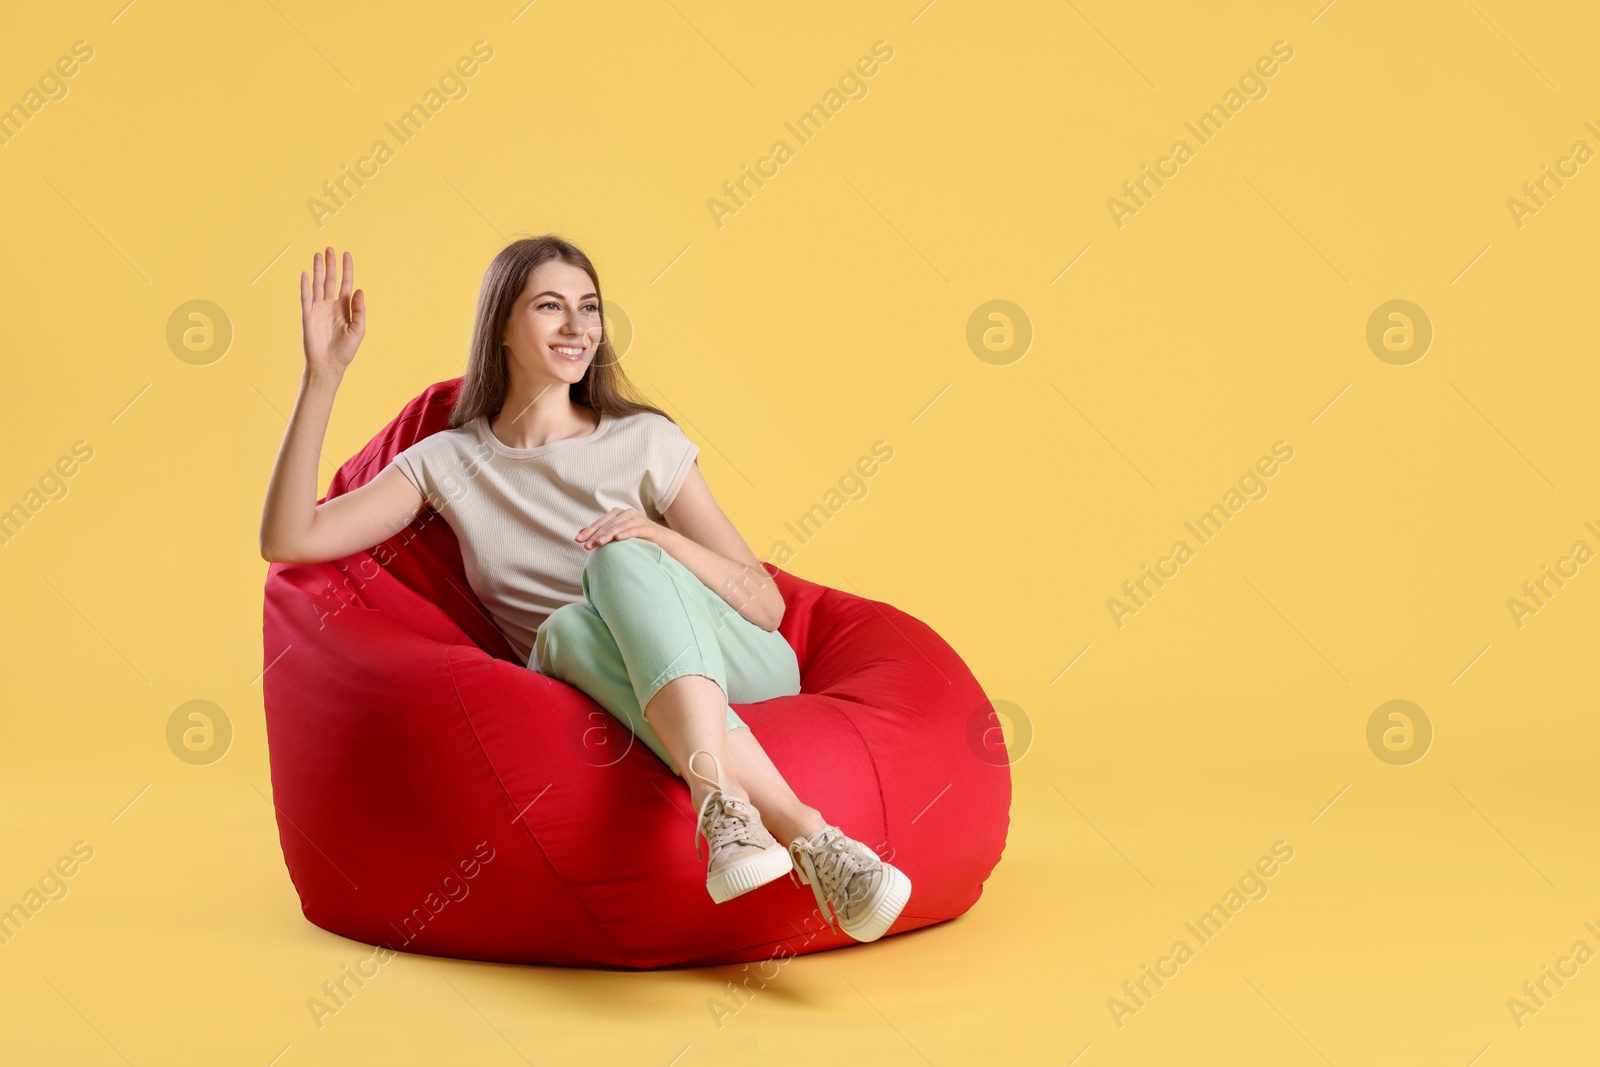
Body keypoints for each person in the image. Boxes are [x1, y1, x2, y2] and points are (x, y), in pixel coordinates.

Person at [258, 238, 911, 942]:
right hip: (588, 673)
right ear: (501, 326)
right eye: (550, 307)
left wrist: (654, 539)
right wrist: (321, 377)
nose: (579, 327)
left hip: (732, 661)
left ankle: (721, 802)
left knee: (616, 564)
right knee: (563, 629)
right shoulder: (449, 461)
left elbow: (764, 604)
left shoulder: (644, 441)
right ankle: (813, 838)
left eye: (590, 308)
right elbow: (289, 539)